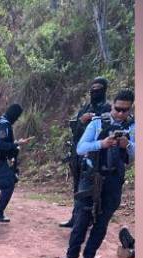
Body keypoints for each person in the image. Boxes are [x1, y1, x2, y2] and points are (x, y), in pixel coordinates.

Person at [59, 89, 136, 258]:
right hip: (91, 177)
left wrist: (128, 145)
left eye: (125, 110)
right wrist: (101, 144)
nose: (120, 113)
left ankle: (89, 257)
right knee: (81, 219)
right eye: (118, 109)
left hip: (114, 180)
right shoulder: (98, 123)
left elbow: (135, 154)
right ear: (112, 105)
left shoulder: (133, 126)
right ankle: (71, 257)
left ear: (130, 109)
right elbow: (81, 148)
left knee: (102, 221)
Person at [59, 77, 113, 228]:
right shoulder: (85, 108)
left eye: (98, 89)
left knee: (94, 190)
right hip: (79, 155)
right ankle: (76, 218)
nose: (95, 92)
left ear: (104, 90)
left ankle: (90, 219)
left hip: (96, 156)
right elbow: (75, 132)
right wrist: (82, 121)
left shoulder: (108, 109)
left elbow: (106, 133)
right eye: (92, 89)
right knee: (78, 188)